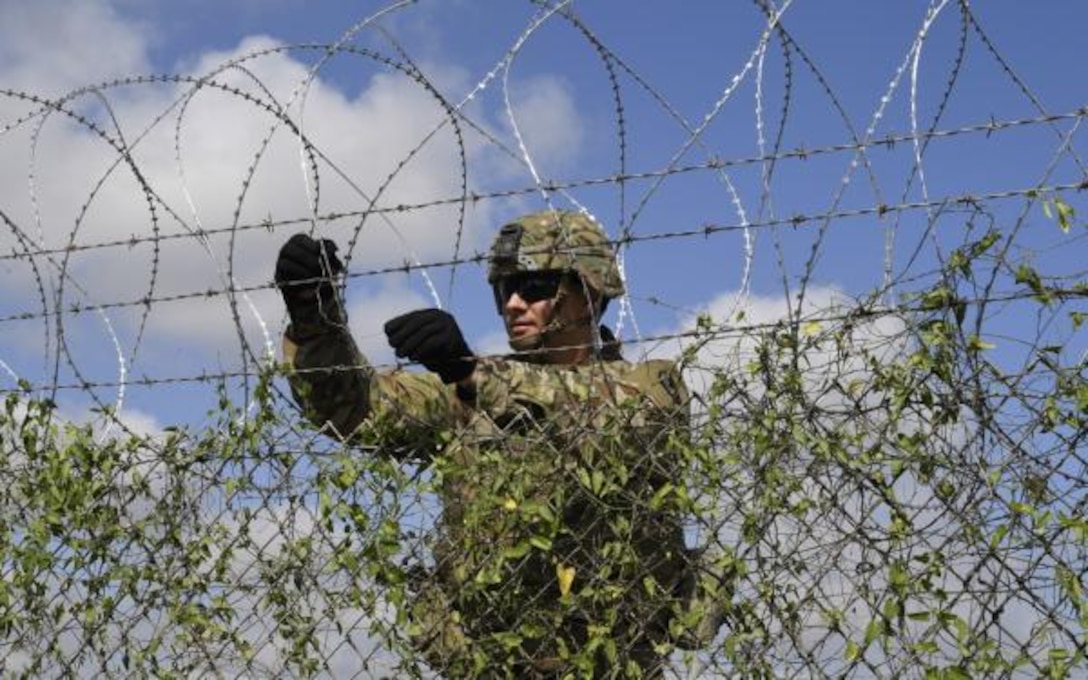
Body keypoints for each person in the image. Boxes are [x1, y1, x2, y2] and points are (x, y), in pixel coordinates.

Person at [276, 210, 697, 678]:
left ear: (589, 290)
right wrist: (315, 320)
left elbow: (603, 419)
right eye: (504, 290)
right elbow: (356, 410)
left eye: (535, 288)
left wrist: (474, 374)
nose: (515, 303)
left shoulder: (652, 385)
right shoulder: (467, 392)